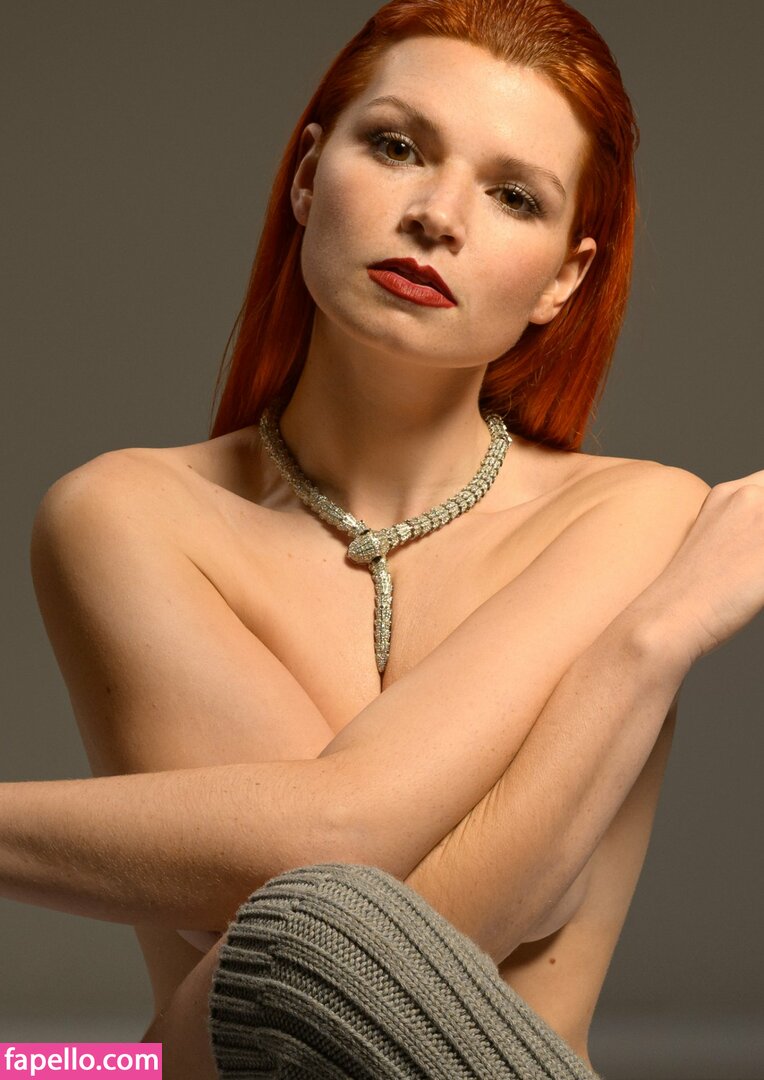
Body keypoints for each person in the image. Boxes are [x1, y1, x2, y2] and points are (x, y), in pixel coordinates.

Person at [9, 0, 762, 1075]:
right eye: (398, 147)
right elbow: (328, 916)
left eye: (513, 196)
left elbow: (334, 906)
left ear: (563, 278)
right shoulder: (127, 515)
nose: (437, 216)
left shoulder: (627, 513)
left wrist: (647, 644)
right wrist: (637, 658)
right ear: (307, 174)